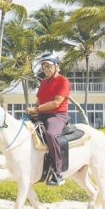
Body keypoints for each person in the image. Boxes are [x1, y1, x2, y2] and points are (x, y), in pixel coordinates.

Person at [27, 52, 71, 186]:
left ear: (57, 66)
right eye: (44, 67)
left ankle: (58, 173)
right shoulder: (43, 82)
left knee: (51, 134)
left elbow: (56, 103)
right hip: (42, 115)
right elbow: (39, 101)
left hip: (58, 115)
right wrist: (33, 110)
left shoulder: (63, 81)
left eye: (49, 66)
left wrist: (37, 109)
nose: (46, 69)